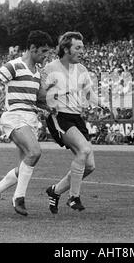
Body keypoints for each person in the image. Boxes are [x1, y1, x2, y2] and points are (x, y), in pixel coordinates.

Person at [0, 30, 54, 216]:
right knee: (35, 152)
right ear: (32, 49)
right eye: (43, 51)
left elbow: (36, 100)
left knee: (24, 166)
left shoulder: (38, 73)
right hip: (14, 116)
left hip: (31, 119)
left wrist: (50, 108)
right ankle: (18, 198)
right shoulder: (14, 66)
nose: (46, 55)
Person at [42, 31, 99, 214]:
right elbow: (40, 95)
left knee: (89, 166)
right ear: (66, 49)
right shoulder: (50, 68)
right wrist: (53, 97)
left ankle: (55, 190)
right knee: (83, 150)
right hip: (59, 117)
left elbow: (89, 93)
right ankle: (74, 197)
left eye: (82, 47)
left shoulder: (81, 69)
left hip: (76, 118)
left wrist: (104, 104)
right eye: (78, 47)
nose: (82, 51)